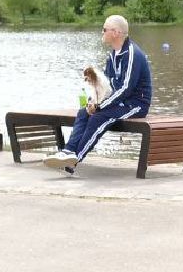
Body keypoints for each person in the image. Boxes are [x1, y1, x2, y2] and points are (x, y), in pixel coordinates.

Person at [45, 15, 152, 175]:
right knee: (83, 113)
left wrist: (100, 106)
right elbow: (106, 87)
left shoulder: (132, 55)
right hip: (119, 103)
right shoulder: (112, 55)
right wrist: (93, 101)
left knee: (98, 117)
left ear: (115, 32)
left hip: (135, 105)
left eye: (104, 29)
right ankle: (68, 152)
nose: (101, 32)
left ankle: (74, 160)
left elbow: (125, 89)